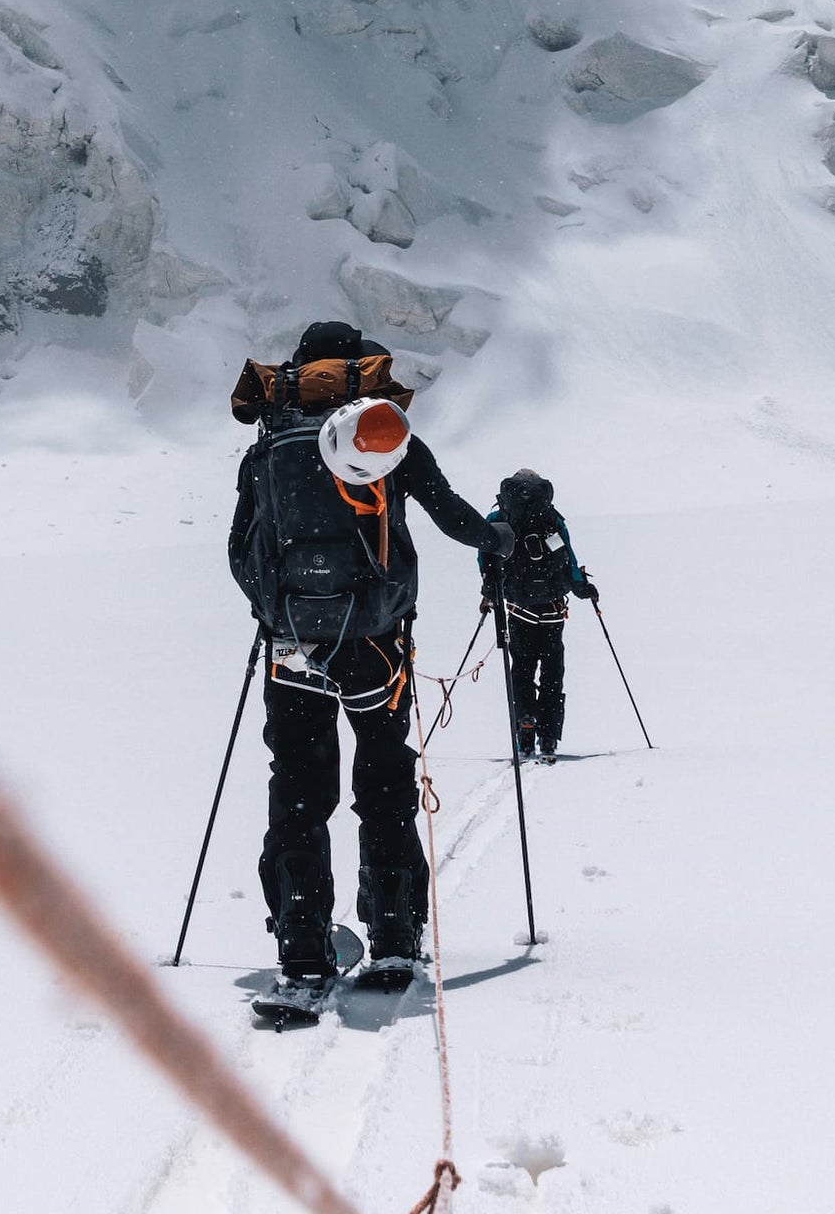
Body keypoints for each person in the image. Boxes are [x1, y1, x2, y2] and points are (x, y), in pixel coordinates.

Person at [223, 320, 498, 1015]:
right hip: (376, 644)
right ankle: (396, 934)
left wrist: (275, 614)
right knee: (382, 777)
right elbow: (452, 516)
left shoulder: (268, 447)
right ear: (359, 370)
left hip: (292, 647)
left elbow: (238, 551)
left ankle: (304, 949)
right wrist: (499, 538)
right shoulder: (384, 435)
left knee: (297, 791)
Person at [483, 469, 598, 763]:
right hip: (552, 611)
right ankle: (548, 735)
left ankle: (525, 725)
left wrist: (490, 592)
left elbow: (486, 558)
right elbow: (569, 560)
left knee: (521, 668)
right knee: (552, 672)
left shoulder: (499, 520)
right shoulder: (552, 520)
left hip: (518, 610)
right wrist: (583, 589)